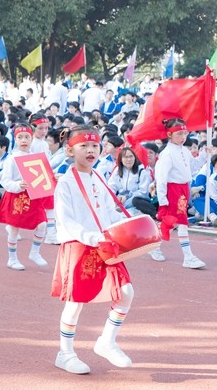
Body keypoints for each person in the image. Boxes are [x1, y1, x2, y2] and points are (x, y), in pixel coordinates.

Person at [52, 126, 135, 374]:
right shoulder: (65, 182)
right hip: (80, 245)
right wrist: (92, 237)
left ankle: (107, 341)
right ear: (70, 151)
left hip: (105, 243)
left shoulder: (98, 176)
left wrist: (128, 224)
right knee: (76, 302)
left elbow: (109, 211)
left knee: (126, 292)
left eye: (95, 146)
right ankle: (65, 353)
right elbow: (66, 221)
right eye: (84, 146)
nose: (91, 150)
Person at [0, 124, 48, 270]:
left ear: (32, 138)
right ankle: (12, 259)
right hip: (17, 196)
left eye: (27, 137)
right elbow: (5, 180)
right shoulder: (12, 158)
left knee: (42, 224)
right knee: (14, 228)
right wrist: (18, 185)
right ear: (15, 140)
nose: (24, 140)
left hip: (33, 196)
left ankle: (35, 252)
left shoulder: (35, 157)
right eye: (20, 137)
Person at [154, 118, 206, 268]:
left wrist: (204, 154)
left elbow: (194, 165)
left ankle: (153, 245)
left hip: (184, 188)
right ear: (169, 134)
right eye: (179, 134)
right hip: (173, 190)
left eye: (185, 133)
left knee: (171, 222)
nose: (183, 137)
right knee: (181, 221)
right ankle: (188, 256)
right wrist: (163, 200)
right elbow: (161, 178)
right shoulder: (167, 154)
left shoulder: (184, 150)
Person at [108, 148, 154, 217]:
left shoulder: (142, 171)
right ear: (121, 159)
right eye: (126, 157)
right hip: (121, 199)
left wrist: (127, 197)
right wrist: (114, 199)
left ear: (135, 158)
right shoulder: (117, 171)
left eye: (131, 156)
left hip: (136, 200)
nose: (129, 159)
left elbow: (143, 192)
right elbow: (111, 187)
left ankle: (122, 209)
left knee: (134, 201)